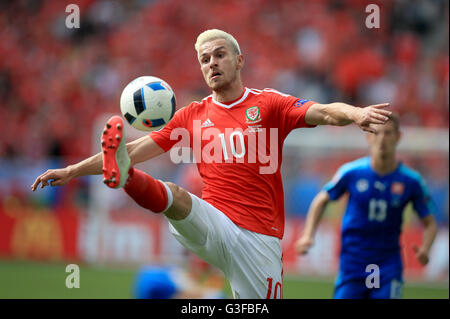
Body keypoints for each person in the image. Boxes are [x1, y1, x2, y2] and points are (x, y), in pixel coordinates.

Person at [31, 29, 392, 299]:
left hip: (258, 240)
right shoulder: (193, 115)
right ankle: (126, 177)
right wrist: (72, 170)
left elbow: (325, 111)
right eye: (204, 59)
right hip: (214, 224)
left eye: (219, 55)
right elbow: (136, 146)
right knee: (176, 195)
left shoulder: (268, 104)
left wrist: (356, 112)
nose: (211, 63)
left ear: (239, 60)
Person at [295, 113, 438, 299]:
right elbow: (321, 199)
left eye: (388, 133)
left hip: (388, 265)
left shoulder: (412, 181)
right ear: (368, 137)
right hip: (353, 263)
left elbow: (430, 222)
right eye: (376, 133)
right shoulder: (352, 172)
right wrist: (307, 235)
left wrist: (426, 248)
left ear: (398, 137)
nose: (382, 139)